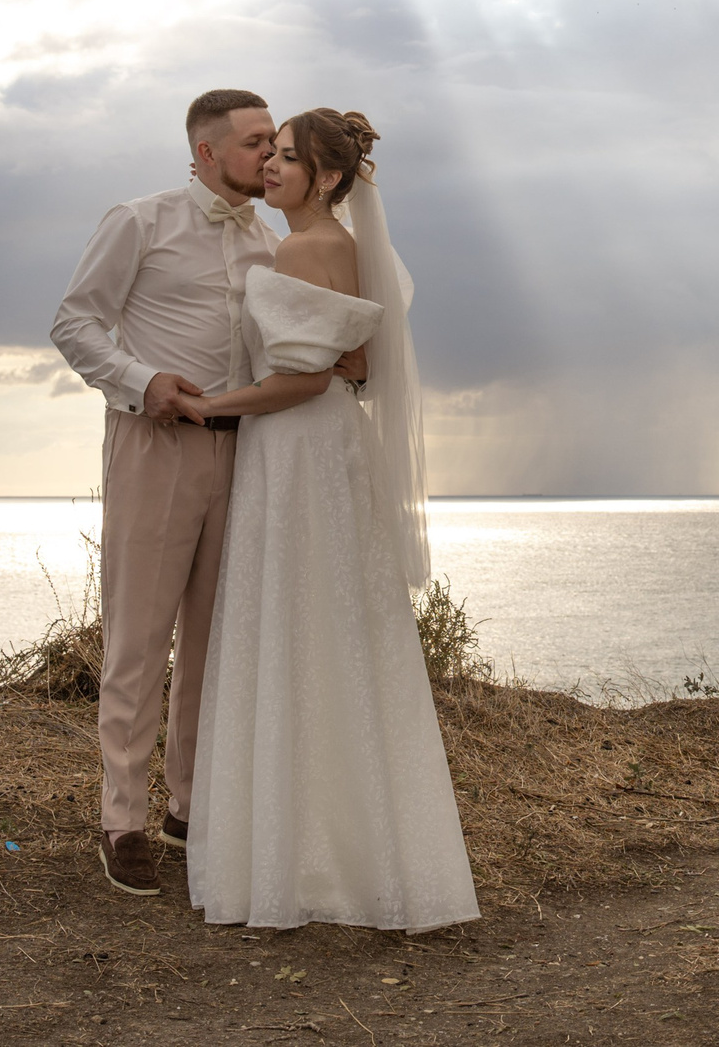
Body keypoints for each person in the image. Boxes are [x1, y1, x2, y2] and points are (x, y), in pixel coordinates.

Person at [176, 109, 479, 932]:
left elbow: (302, 381)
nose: (270, 168)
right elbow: (359, 364)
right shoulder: (348, 249)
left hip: (297, 447)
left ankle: (287, 855)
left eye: (287, 159)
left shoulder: (304, 248)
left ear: (331, 178)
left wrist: (207, 405)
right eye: (268, 154)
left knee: (292, 628)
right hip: (324, 451)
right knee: (339, 632)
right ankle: (355, 851)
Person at [50, 88, 278, 897]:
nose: (270, 152)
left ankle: (188, 805)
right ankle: (122, 820)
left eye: (274, 139)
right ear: (208, 151)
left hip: (244, 453)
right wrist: (142, 381)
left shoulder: (269, 240)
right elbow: (75, 323)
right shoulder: (138, 220)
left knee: (216, 640)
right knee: (140, 638)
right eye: (256, 141)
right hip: (153, 445)